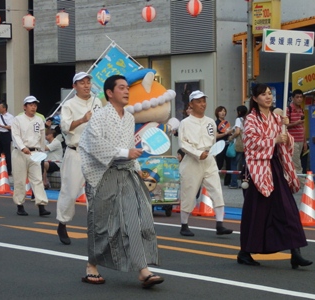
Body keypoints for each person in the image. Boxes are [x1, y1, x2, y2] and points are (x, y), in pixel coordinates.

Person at [78, 74, 164, 288]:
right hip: (103, 174)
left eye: (127, 88)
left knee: (135, 219)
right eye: (122, 88)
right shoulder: (99, 116)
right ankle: (92, 265)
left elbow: (129, 148)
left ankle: (143, 270)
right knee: (101, 222)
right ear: (109, 92)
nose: (127, 91)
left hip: (126, 173)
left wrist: (138, 168)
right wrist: (126, 152)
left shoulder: (129, 117)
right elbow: (93, 144)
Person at [237, 83, 312, 269]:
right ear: (255, 98)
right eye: (263, 94)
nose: (267, 97)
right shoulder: (251, 119)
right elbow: (250, 142)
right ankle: (245, 251)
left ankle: (296, 252)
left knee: (288, 208)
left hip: (275, 167)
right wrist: (274, 139)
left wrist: (286, 132)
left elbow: (285, 143)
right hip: (257, 168)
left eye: (269, 94)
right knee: (257, 211)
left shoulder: (277, 118)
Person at [177, 90, 233, 237]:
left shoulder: (210, 122)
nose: (202, 104)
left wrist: (210, 153)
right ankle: (184, 224)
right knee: (189, 191)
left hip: (208, 158)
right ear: (191, 104)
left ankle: (220, 224)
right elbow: (183, 144)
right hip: (191, 160)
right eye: (198, 101)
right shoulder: (185, 123)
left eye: (204, 101)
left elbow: (213, 140)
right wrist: (197, 153)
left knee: (216, 189)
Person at [56, 72, 102, 245]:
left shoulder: (97, 102)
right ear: (75, 86)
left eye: (88, 82)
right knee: (70, 191)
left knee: (96, 193)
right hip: (75, 152)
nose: (86, 85)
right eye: (82, 83)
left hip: (93, 154)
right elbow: (65, 127)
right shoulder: (68, 105)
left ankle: (96, 229)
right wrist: (82, 119)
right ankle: (62, 222)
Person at [11, 96, 50, 217]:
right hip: (20, 152)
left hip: (35, 152)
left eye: (35, 105)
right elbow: (15, 136)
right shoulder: (17, 119)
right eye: (30, 105)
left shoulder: (39, 120)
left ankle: (41, 205)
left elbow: (42, 137)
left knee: (37, 179)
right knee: (20, 180)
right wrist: (23, 147)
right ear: (25, 106)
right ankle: (20, 205)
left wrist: (42, 151)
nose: (33, 107)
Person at [286, 89, 307, 180]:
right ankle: (302, 184)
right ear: (293, 98)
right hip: (292, 141)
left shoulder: (301, 110)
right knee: (297, 163)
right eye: (297, 97)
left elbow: (303, 127)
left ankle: (293, 181)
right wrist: (296, 123)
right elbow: (285, 125)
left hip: (300, 141)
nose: (299, 99)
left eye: (301, 97)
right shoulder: (288, 109)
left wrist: (305, 142)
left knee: (296, 162)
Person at [228, 105, 248, 189]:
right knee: (244, 164)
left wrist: (231, 137)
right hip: (246, 144)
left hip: (239, 144)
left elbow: (237, 132)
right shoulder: (247, 119)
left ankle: (234, 183)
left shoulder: (238, 119)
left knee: (234, 163)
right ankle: (245, 182)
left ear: (239, 112)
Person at [0, 102, 14, 175]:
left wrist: (1, 126)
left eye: (0, 107)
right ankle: (0, 167)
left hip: (6, 134)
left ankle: (8, 170)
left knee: (7, 152)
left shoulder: (10, 117)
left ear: (4, 108)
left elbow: (11, 127)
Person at [214, 106, 232, 186]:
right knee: (219, 163)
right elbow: (216, 136)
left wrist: (230, 134)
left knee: (229, 163)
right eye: (221, 111)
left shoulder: (226, 123)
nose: (223, 113)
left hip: (227, 144)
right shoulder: (215, 123)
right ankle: (215, 181)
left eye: (224, 111)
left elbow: (229, 135)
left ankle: (227, 182)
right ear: (217, 113)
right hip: (219, 145)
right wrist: (225, 133)